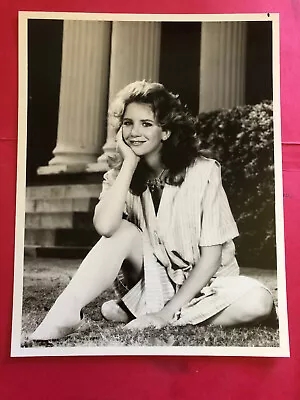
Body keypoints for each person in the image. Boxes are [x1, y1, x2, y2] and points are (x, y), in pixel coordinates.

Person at [30, 81, 275, 341]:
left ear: (166, 132)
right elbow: (105, 228)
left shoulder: (203, 171)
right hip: (152, 281)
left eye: (146, 124)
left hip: (209, 285)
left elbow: (211, 258)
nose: (135, 132)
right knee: (122, 231)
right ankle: (65, 314)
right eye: (128, 123)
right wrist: (129, 165)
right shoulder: (117, 177)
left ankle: (147, 313)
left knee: (258, 302)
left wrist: (165, 314)